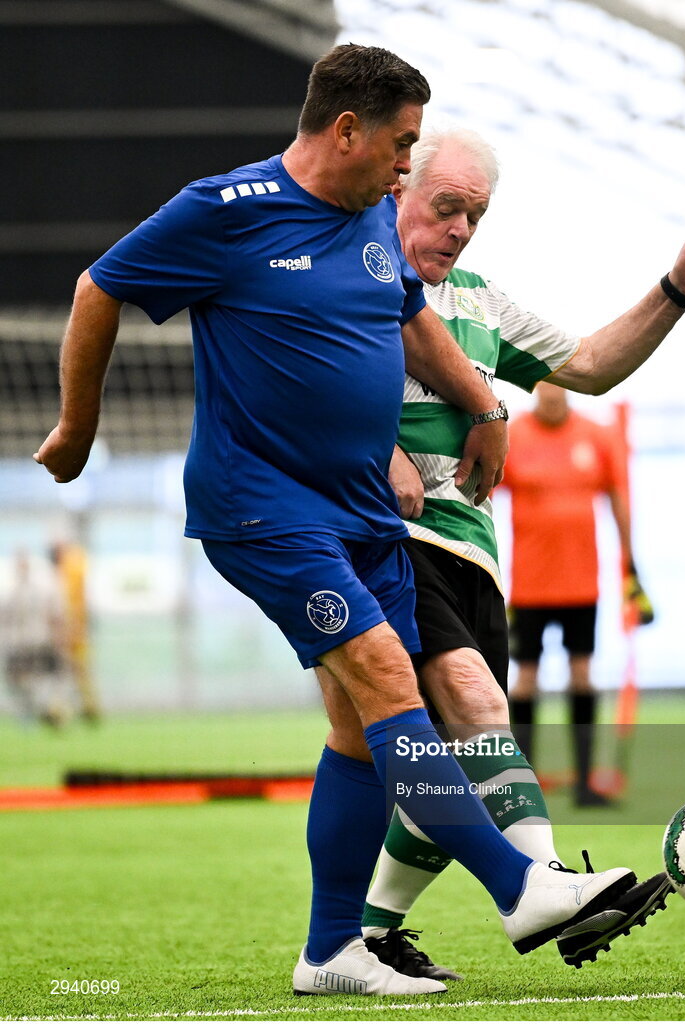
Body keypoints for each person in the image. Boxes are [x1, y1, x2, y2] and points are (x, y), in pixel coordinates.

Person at [34, 45, 643, 998]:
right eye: (402, 146)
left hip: (361, 513)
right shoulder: (222, 211)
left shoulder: (367, 225)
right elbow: (96, 289)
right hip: (265, 510)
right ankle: (520, 886)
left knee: (361, 730)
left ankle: (330, 951)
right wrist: (78, 427)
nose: (408, 167)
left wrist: (484, 407)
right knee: (388, 676)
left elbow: (413, 321)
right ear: (347, 129)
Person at [358, 127, 685, 978]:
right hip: (385, 539)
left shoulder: (483, 304)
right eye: (444, 206)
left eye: (474, 216)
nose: (458, 229)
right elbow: (294, 383)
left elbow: (593, 365)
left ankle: (372, 930)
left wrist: (675, 290)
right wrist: (370, 451)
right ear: (395, 193)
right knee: (475, 701)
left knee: (459, 762)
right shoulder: (350, 279)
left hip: (474, 557)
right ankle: (548, 887)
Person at [503, 381, 653, 806]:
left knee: (582, 673)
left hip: (582, 583)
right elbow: (483, 496)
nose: (554, 405)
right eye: (546, 398)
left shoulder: (595, 435)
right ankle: (521, 785)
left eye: (561, 398)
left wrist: (631, 565)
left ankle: (586, 783)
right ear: (535, 395)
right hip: (528, 586)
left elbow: (617, 498)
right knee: (526, 678)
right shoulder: (513, 435)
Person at [1, 549, 71, 727]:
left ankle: (46, 708)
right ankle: (37, 710)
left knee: (43, 676)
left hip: (38, 640)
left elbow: (55, 616)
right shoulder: (10, 590)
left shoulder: (40, 588)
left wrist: (60, 637)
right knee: (18, 679)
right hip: (18, 642)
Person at [49, 541, 100, 722]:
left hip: (73, 633)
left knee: (74, 670)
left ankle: (71, 708)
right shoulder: (65, 574)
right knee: (72, 671)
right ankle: (79, 707)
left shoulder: (69, 573)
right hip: (71, 632)